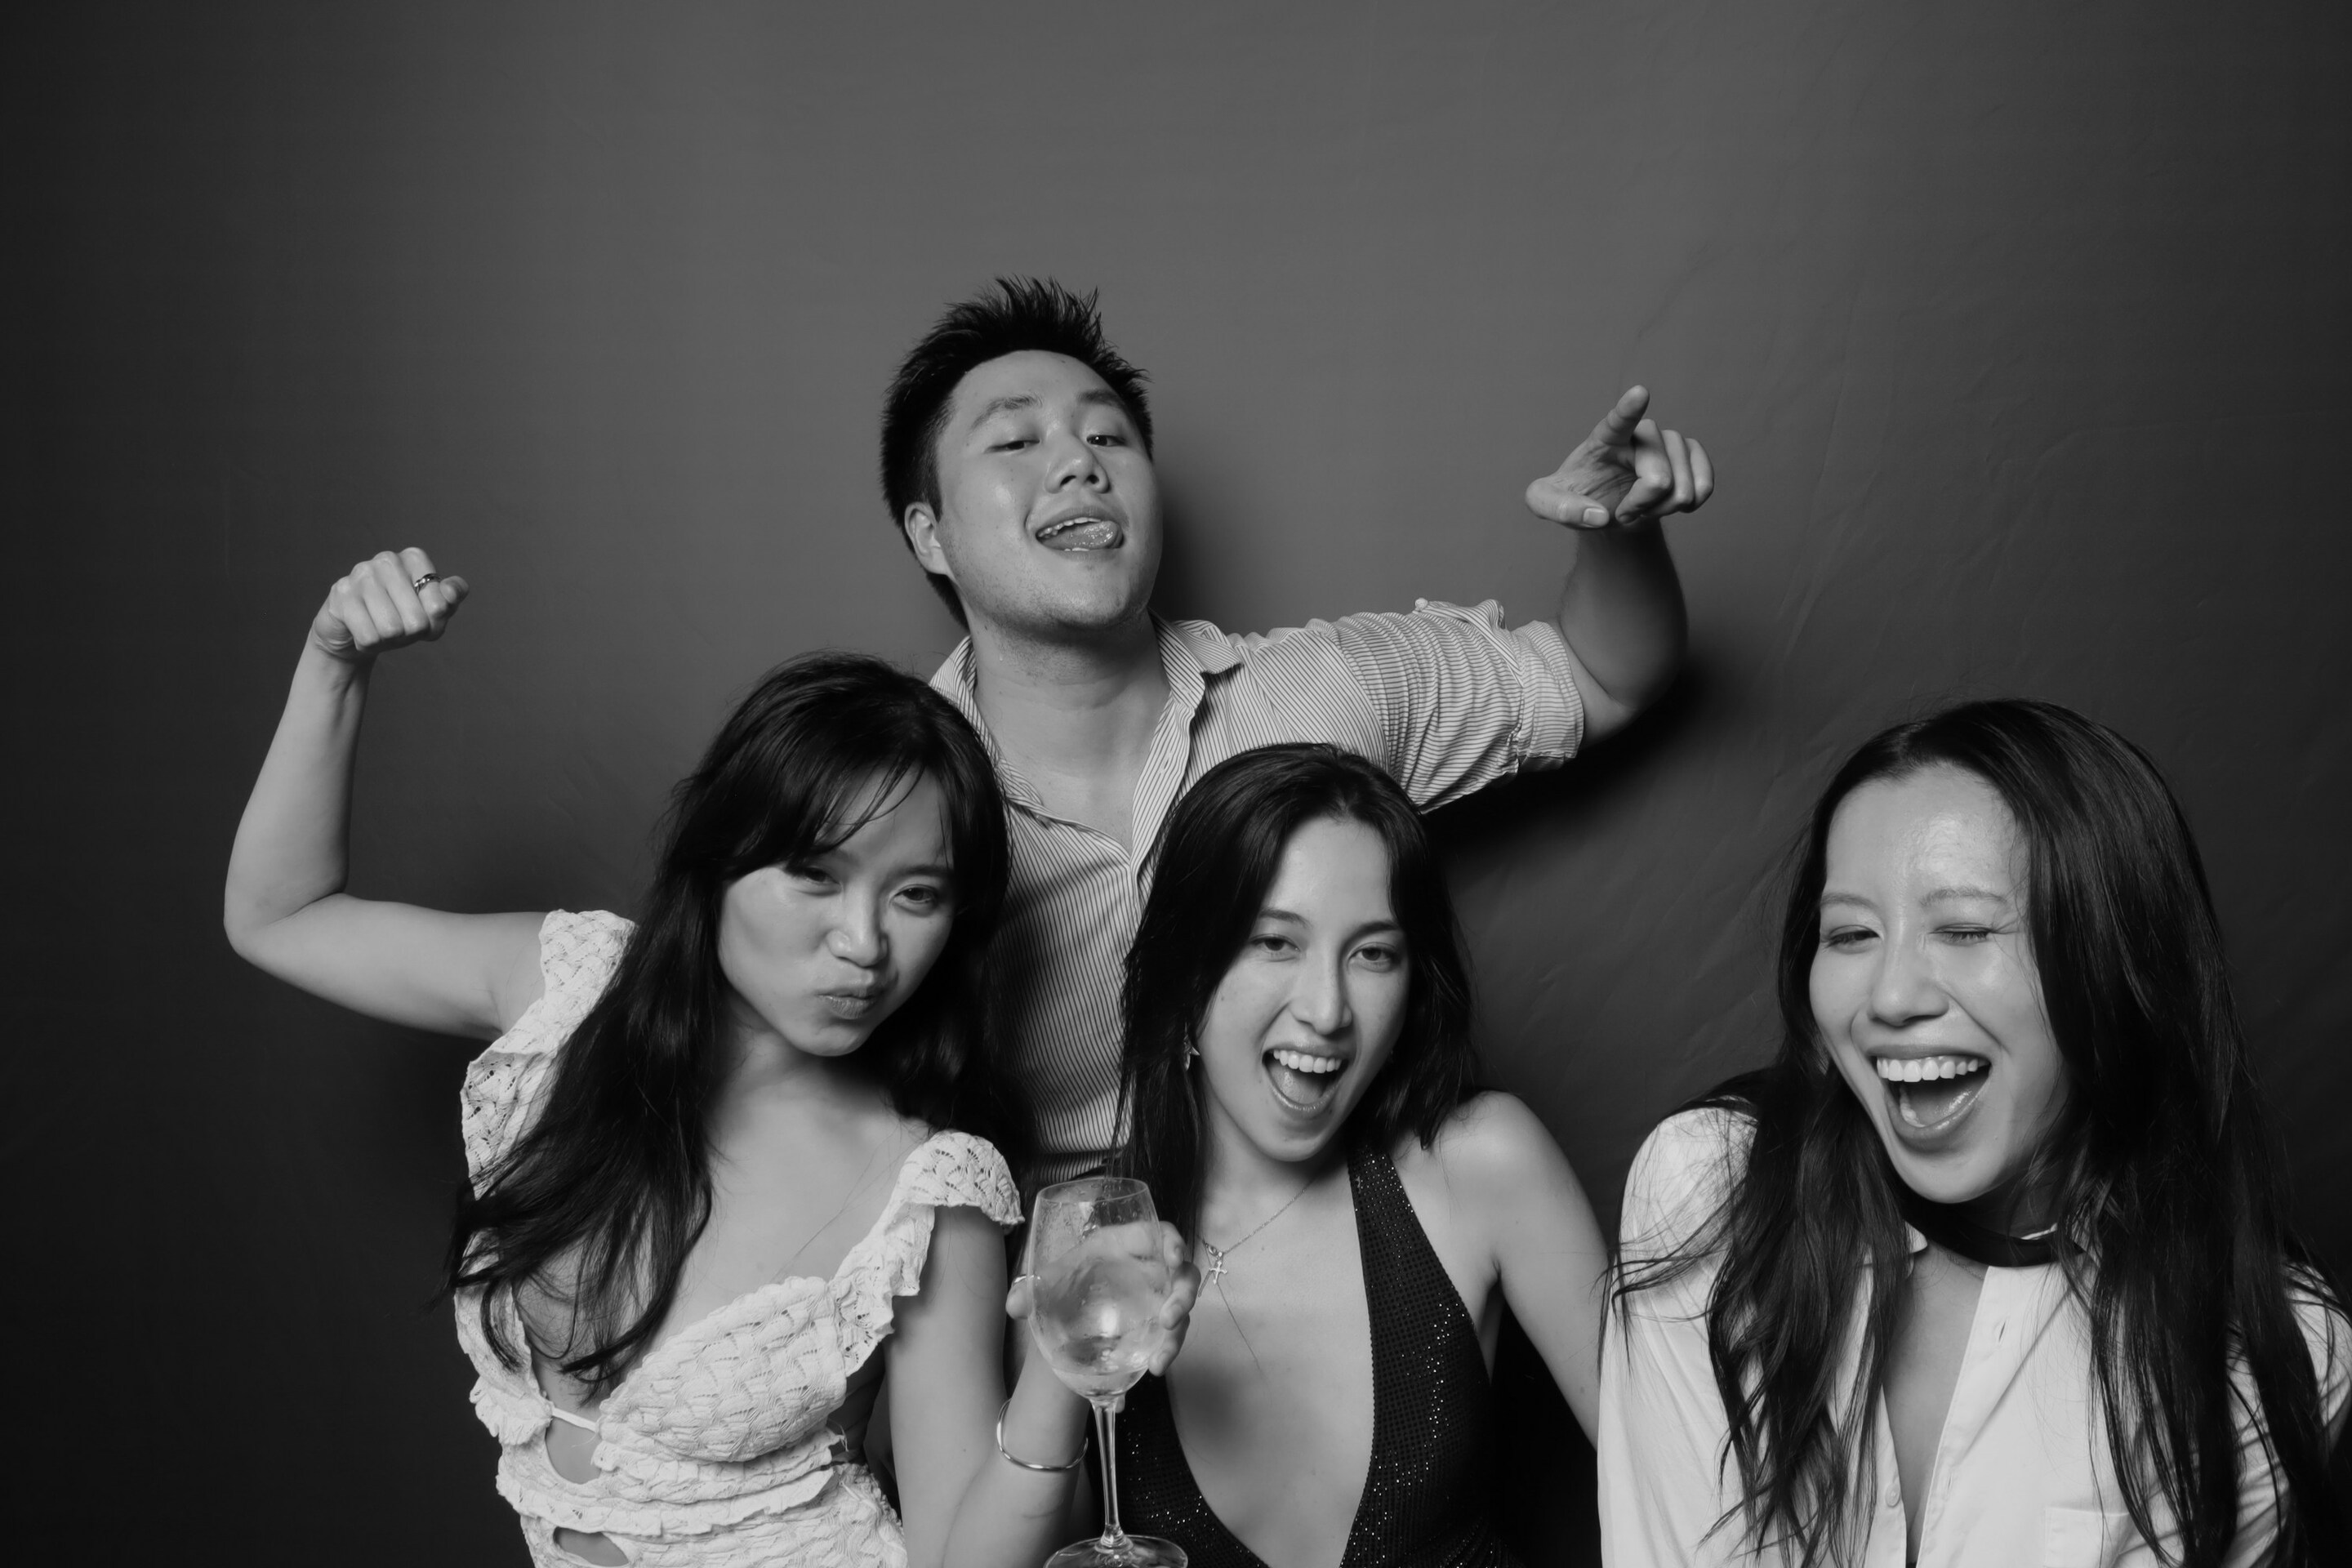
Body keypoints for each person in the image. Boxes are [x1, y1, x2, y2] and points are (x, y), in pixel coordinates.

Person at [222, 549, 1196, 1568]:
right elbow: (280, 916)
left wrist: (1057, 1374)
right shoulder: (572, 994)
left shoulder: (928, 1187)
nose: (864, 943)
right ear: (721, 856)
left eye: (917, 895)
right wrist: (333, 661)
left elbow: (963, 1559)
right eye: (816, 874)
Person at [882, 278, 1717, 1178]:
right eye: (1016, 440)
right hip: (1045, 1251)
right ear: (931, 535)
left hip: (1325, 1227)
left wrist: (1618, 534)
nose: (1080, 464)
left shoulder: (1324, 692)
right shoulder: (884, 800)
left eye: (1107, 436)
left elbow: (1600, 673)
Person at [1598, 700, 2350, 1568]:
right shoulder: (1712, 1193)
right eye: (1851, 934)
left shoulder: (2276, 1350)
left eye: (1963, 929)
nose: (1889, 997)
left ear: (2118, 959)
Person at [1089, 743, 1610, 1568]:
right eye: (1275, 942)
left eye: (1373, 953)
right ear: (1186, 976)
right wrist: (1052, 1381)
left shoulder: (1478, 1165)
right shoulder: (1089, 1241)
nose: (1328, 1010)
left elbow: (1683, 1476)